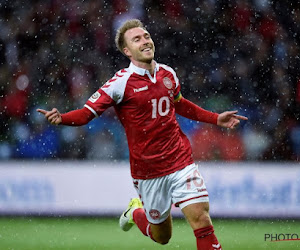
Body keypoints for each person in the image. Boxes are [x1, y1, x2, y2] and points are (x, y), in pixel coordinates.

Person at [37, 19, 247, 250]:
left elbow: (180, 104)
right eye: (137, 39)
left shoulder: (168, 73)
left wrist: (215, 118)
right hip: (148, 172)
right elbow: (86, 114)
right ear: (127, 51)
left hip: (180, 161)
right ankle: (135, 211)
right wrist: (62, 118)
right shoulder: (119, 84)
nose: (145, 41)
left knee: (201, 219)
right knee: (162, 237)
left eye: (146, 36)